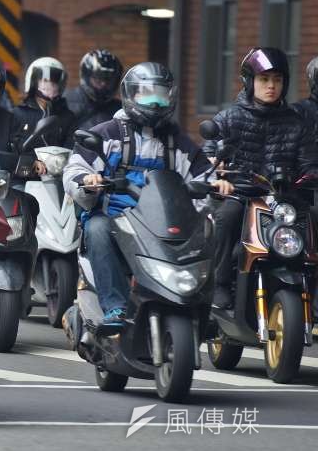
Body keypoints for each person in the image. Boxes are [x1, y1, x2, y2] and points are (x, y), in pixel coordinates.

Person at [63, 62, 231, 323]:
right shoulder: (106, 134)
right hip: (114, 217)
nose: (155, 101)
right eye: (146, 93)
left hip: (162, 224)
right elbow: (74, 170)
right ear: (131, 95)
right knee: (96, 230)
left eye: (161, 94)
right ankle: (115, 307)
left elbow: (202, 177)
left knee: (205, 232)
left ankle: (199, 307)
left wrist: (216, 187)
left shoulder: (179, 143)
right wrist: (87, 179)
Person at [205, 48, 318, 309]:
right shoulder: (230, 117)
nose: (271, 86)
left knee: (312, 217)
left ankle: (309, 288)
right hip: (241, 195)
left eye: (277, 80)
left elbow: (309, 161)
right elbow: (208, 151)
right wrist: (214, 167)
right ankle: (220, 283)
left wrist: (308, 176)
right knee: (226, 217)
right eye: (264, 79)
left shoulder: (296, 122)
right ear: (249, 82)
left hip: (281, 199)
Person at [12, 56, 77, 150]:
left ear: (60, 86)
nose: (50, 86)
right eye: (45, 81)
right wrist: (31, 160)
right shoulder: (18, 114)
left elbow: (72, 148)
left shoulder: (68, 117)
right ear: (33, 82)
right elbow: (12, 147)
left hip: (58, 164)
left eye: (54, 83)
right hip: (25, 164)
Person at [65, 49, 124, 137]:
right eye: (98, 79)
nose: (103, 84)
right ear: (87, 77)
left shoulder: (120, 110)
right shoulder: (65, 103)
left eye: (108, 80)